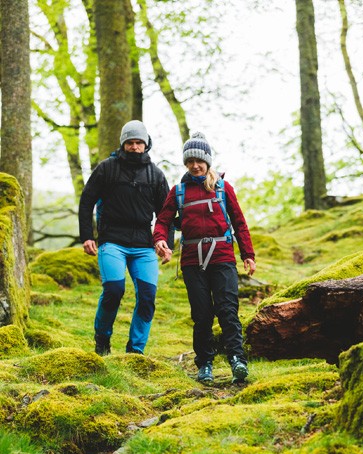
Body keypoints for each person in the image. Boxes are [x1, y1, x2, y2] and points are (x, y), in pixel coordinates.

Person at [153, 132, 256, 384]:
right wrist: (160, 240)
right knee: (201, 315)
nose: (195, 165)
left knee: (228, 310)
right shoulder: (178, 191)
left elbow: (239, 222)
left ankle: (237, 360)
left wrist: (248, 254)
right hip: (192, 261)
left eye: (199, 160)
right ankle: (205, 364)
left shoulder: (223, 188)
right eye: (190, 161)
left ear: (208, 161)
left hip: (222, 258)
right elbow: (163, 220)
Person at [77, 120, 170, 356]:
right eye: (130, 142)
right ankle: (102, 340)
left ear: (146, 144)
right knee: (114, 290)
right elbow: (86, 201)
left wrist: (164, 241)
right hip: (112, 242)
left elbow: (165, 214)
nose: (135, 147)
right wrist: (87, 236)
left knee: (148, 297)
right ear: (123, 144)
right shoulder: (107, 168)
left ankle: (135, 351)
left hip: (143, 246)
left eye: (139, 142)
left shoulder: (155, 174)